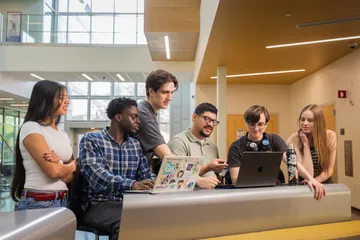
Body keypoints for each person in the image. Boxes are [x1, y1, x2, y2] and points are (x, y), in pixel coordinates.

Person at [79, 97, 155, 240]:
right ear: (118, 117)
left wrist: (158, 182)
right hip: (98, 205)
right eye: (134, 117)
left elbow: (146, 175)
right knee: (130, 222)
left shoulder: (135, 145)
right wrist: (132, 184)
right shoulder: (92, 140)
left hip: (129, 203)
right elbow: (97, 177)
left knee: (156, 218)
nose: (138, 121)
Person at [227, 105, 326, 200]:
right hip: (247, 194)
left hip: (273, 191)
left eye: (260, 124)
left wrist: (310, 178)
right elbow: (236, 180)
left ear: (266, 124)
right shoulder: (236, 147)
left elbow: (291, 162)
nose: (256, 128)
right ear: (246, 124)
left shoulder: (275, 140)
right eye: (252, 124)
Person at [11, 80, 76, 210]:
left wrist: (61, 164)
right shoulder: (31, 127)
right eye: (61, 97)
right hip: (39, 201)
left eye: (66, 97)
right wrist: (73, 165)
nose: (67, 101)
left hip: (63, 200)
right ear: (45, 100)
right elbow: (52, 172)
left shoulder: (62, 133)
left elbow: (71, 177)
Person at [168, 103, 227, 189]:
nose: (210, 124)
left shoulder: (212, 145)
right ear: (194, 117)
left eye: (214, 121)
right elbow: (174, 176)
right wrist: (208, 167)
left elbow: (214, 174)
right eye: (207, 119)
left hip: (213, 195)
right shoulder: (178, 142)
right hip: (188, 198)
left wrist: (218, 169)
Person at [133, 69, 178, 171]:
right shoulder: (143, 113)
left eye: (171, 92)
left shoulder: (148, 111)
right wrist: (197, 179)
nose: (170, 97)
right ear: (151, 91)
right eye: (165, 92)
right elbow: (167, 157)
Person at [287, 104, 337, 184]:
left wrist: (314, 182)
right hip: (304, 183)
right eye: (302, 119)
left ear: (318, 122)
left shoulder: (330, 136)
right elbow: (306, 172)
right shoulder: (294, 139)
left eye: (310, 120)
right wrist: (305, 144)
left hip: (324, 184)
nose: (305, 123)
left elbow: (329, 170)